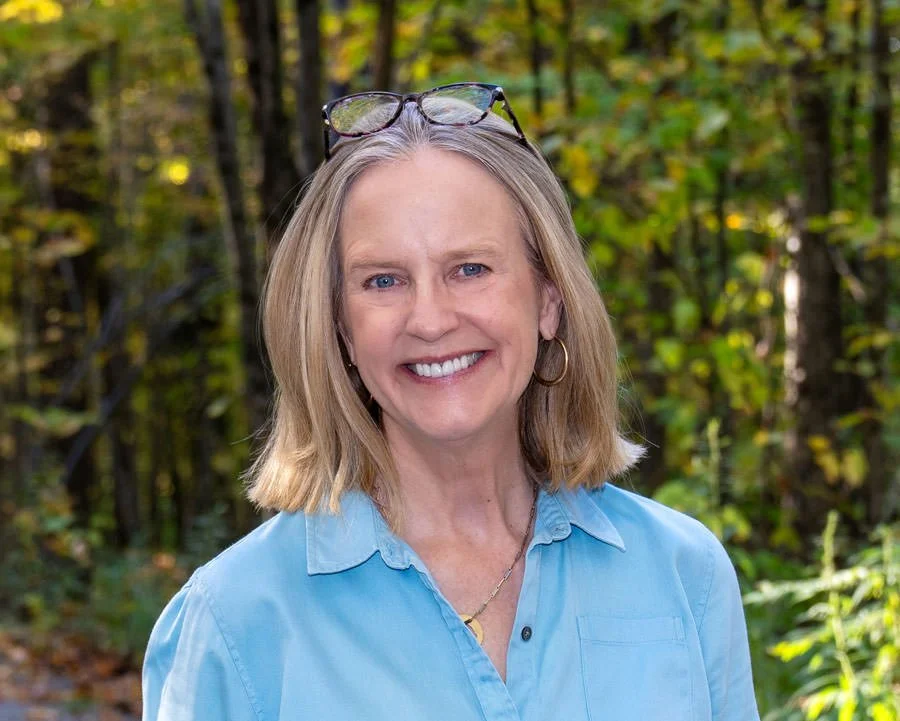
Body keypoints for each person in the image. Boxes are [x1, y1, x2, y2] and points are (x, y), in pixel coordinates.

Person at [142, 82, 760, 721]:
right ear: (340, 329)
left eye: (470, 269)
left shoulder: (683, 575)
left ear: (548, 299)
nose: (430, 320)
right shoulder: (235, 620)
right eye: (384, 280)